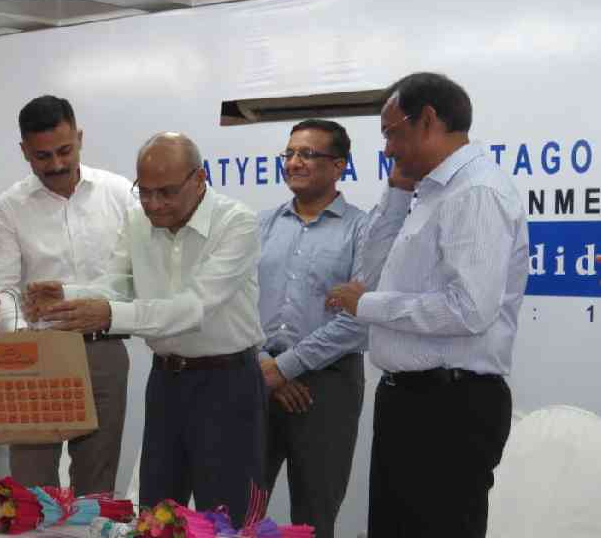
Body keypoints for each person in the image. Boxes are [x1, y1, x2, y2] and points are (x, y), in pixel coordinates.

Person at [28, 132, 266, 526]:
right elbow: (118, 282)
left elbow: (194, 307)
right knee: (158, 511)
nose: (154, 204)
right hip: (167, 381)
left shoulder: (237, 223)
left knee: (224, 514)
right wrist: (69, 294)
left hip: (228, 383)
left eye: (167, 192)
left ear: (200, 179)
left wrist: (109, 316)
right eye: (145, 192)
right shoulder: (138, 217)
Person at [328, 72, 529, 538]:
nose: (387, 149)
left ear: (430, 121)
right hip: (411, 401)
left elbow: (469, 309)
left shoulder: (475, 191)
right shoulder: (430, 190)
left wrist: (371, 306)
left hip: (450, 408)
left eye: (392, 132)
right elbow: (370, 272)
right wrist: (396, 193)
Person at [0, 95, 133, 494]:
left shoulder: (120, 193)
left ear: (79, 137)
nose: (56, 165)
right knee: (32, 487)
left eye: (64, 151)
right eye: (42, 156)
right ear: (24, 152)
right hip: (36, 354)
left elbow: (136, 277)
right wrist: (21, 345)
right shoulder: (8, 208)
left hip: (104, 348)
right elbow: (1, 290)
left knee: (97, 485)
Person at [257, 120, 367, 538]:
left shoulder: (363, 229)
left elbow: (358, 322)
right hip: (258, 378)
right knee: (238, 508)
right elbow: (234, 304)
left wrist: (285, 367)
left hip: (327, 387)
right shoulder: (261, 225)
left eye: (307, 154)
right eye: (289, 154)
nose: (294, 162)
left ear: (338, 165)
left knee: (314, 517)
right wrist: (266, 365)